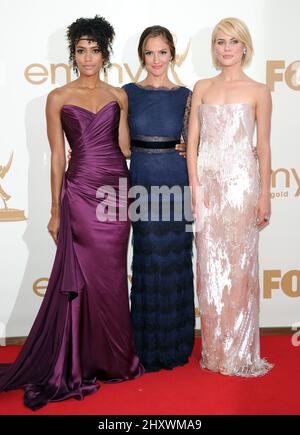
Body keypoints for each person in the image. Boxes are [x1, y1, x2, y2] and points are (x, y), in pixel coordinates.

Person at [0, 15, 143, 410]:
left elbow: (126, 147)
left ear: (105, 52)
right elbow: (56, 157)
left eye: (95, 50)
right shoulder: (58, 97)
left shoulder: (119, 95)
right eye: (81, 50)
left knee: (113, 274)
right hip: (79, 191)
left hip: (116, 190)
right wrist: (53, 210)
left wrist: (171, 146)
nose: (88, 57)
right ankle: (80, 360)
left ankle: (114, 359)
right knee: (83, 278)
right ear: (72, 54)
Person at [187, 17, 273, 377]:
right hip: (207, 186)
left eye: (233, 42)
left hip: (241, 185)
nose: (226, 48)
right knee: (209, 267)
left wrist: (265, 194)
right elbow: (192, 143)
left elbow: (263, 147)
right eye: (220, 42)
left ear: (245, 47)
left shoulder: (258, 90)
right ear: (214, 47)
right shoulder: (202, 86)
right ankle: (216, 350)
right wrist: (195, 187)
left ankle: (240, 352)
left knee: (239, 269)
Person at [123, 26, 195, 372]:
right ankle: (146, 346)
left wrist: (188, 150)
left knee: (176, 260)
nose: (156, 59)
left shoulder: (186, 95)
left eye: (162, 52)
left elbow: (198, 143)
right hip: (142, 181)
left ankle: (175, 344)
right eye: (149, 53)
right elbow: (120, 145)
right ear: (142, 55)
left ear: (172, 55)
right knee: (147, 259)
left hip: (175, 181)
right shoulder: (127, 94)